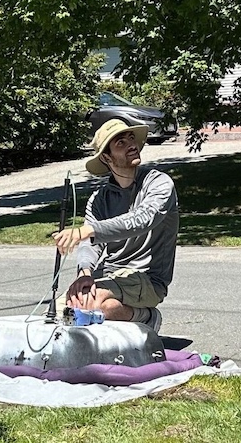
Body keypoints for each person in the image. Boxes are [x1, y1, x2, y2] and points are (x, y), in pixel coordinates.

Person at [53, 118, 179, 333]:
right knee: (63, 309)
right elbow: (91, 244)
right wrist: (85, 272)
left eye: (132, 138)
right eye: (120, 143)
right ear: (106, 157)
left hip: (148, 279)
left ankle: (148, 318)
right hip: (108, 276)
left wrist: (88, 230)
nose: (131, 144)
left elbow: (142, 219)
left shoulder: (158, 183)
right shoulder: (100, 198)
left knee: (95, 303)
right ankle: (132, 320)